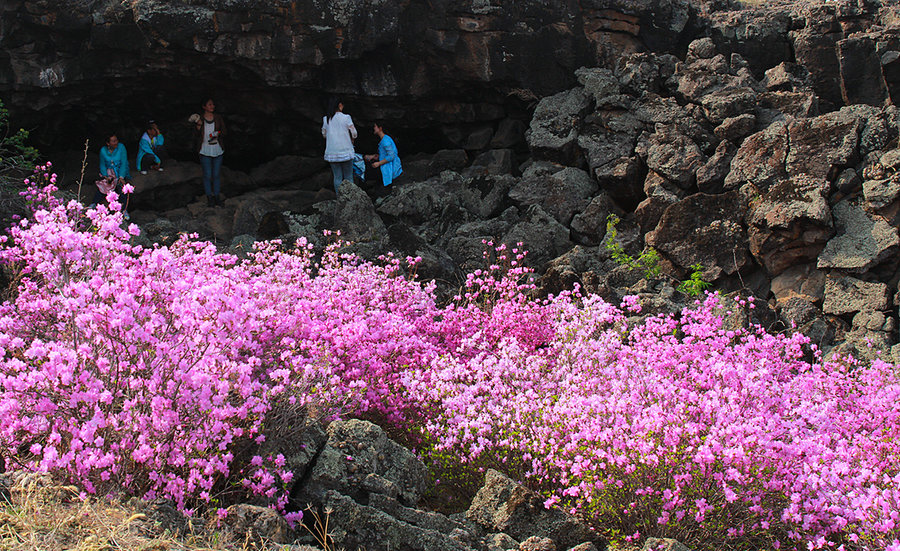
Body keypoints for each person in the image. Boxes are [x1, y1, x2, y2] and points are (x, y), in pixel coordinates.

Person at [192, 99, 226, 207]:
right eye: (210, 104)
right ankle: (209, 198)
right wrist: (198, 126)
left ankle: (216, 197)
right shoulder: (200, 119)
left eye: (213, 104)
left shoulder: (218, 118)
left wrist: (218, 133)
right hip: (205, 150)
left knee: (216, 175)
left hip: (217, 149)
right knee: (207, 175)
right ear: (204, 107)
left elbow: (225, 131)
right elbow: (195, 136)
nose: (212, 106)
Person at [322, 97, 357, 193]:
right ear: (340, 105)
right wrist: (352, 139)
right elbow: (354, 133)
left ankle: (339, 199)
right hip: (346, 150)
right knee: (349, 177)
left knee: (337, 177)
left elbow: (324, 134)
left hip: (332, 152)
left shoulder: (326, 119)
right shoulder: (346, 117)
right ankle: (351, 198)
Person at [95, 131, 131, 220]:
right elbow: (102, 164)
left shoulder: (121, 147)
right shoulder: (103, 151)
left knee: (121, 188)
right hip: (109, 173)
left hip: (120, 171)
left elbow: (123, 162)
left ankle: (124, 210)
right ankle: (94, 204)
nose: (116, 143)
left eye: (116, 140)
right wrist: (106, 176)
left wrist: (121, 177)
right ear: (108, 143)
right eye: (113, 141)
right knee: (104, 185)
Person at [364, 121, 403, 194]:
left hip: (390, 168)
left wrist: (378, 163)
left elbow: (391, 156)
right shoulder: (385, 139)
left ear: (380, 128)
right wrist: (376, 156)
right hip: (388, 167)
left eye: (375, 126)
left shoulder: (385, 141)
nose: (374, 128)